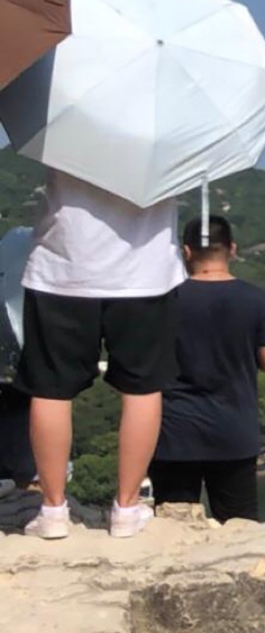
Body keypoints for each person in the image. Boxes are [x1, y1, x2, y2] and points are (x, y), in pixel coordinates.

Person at [21, 172, 185, 540]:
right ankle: (127, 509)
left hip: (63, 267)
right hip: (145, 271)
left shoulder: (62, 115)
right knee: (142, 389)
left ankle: (52, 510)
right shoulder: (166, 122)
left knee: (50, 389)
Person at [148, 216, 265, 524]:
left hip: (173, 433)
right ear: (232, 249)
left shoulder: (161, 301)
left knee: (174, 528)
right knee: (239, 527)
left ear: (185, 251)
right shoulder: (257, 300)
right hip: (233, 431)